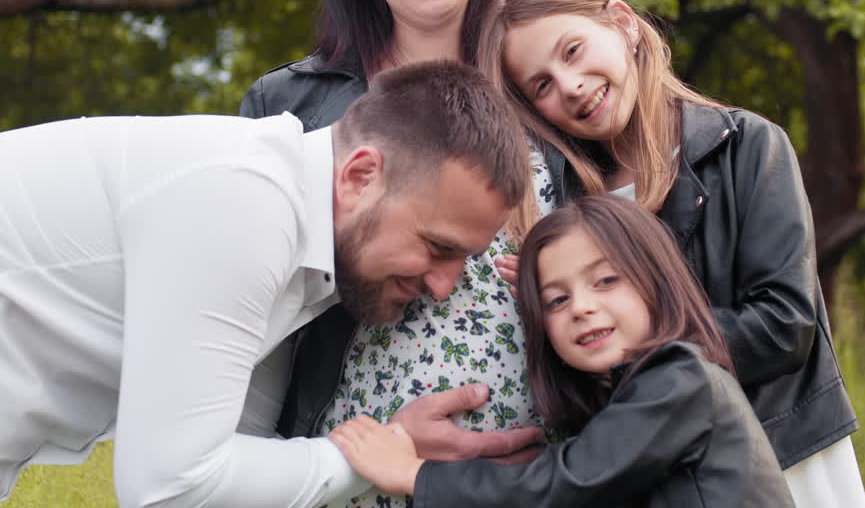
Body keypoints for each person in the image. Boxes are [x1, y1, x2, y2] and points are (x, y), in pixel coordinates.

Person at [0, 61, 537, 508]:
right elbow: (169, 485)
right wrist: (366, 458)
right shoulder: (243, 202)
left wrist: (392, 448)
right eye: (437, 247)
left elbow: (230, 458)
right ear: (360, 176)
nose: (446, 286)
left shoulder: (303, 254)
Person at [239, 0, 552, 508]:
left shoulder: (551, 81)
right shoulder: (293, 105)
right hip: (353, 473)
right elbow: (246, 323)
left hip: (542, 478)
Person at [480, 0, 865, 508]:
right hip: (648, 472)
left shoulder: (746, 147)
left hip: (782, 452)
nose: (569, 85)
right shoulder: (563, 206)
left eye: (572, 51)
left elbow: (785, 324)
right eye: (541, 84)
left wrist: (630, 352)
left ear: (623, 24)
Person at [331, 195, 794, 507]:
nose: (582, 308)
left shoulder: (680, 378)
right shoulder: (632, 395)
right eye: (556, 299)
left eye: (606, 280)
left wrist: (414, 475)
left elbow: (566, 485)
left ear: (659, 280)